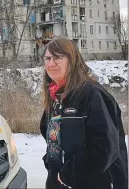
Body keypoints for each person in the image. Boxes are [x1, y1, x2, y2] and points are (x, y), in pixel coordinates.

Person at [39, 37, 128, 189]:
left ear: (72, 60)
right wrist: (52, 165)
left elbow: (104, 148)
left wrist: (68, 174)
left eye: (58, 57)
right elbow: (54, 139)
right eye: (48, 58)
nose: (51, 63)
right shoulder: (55, 96)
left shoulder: (91, 94)